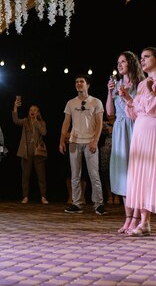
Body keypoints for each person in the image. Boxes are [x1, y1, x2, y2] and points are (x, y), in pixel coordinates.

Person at [120, 47, 156, 240]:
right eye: (142, 58)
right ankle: (144, 223)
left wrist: (153, 93)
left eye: (146, 57)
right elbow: (136, 112)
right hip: (141, 132)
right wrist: (128, 99)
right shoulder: (142, 84)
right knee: (143, 176)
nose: (143, 60)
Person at [106, 51, 145, 233]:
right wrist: (110, 92)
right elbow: (110, 113)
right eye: (118, 61)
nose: (119, 64)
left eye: (123, 61)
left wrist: (126, 96)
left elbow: (140, 109)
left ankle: (137, 218)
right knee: (122, 172)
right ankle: (128, 218)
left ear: (131, 63)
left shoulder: (140, 84)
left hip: (135, 126)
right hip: (120, 128)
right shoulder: (118, 84)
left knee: (135, 174)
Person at [59, 75, 105, 215]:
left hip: (90, 141)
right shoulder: (71, 103)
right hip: (74, 141)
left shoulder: (96, 102)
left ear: (88, 85)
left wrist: (95, 140)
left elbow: (99, 123)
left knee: (94, 174)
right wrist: (61, 140)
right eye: (77, 82)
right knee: (75, 175)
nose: (79, 84)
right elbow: (66, 122)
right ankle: (76, 203)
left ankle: (98, 204)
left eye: (81, 82)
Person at [13, 100, 48, 205]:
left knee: (41, 176)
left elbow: (44, 133)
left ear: (38, 112)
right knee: (25, 176)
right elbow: (15, 120)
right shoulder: (25, 121)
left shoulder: (41, 122)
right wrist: (15, 108)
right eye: (31, 110)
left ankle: (43, 197)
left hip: (38, 153)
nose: (32, 111)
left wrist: (36, 122)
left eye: (35, 110)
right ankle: (25, 196)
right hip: (26, 152)